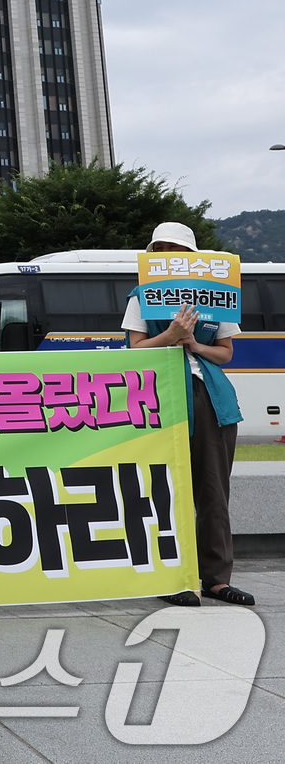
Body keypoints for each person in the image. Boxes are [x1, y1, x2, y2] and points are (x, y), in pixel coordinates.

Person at [124, 222, 253, 607]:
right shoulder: (141, 295)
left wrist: (195, 343)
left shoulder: (217, 297)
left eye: (176, 249)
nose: (168, 255)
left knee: (214, 492)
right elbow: (134, 350)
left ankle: (216, 579)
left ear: (192, 258)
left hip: (212, 398)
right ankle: (174, 577)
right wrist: (171, 334)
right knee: (166, 492)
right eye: (161, 249)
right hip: (161, 397)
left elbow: (226, 352)